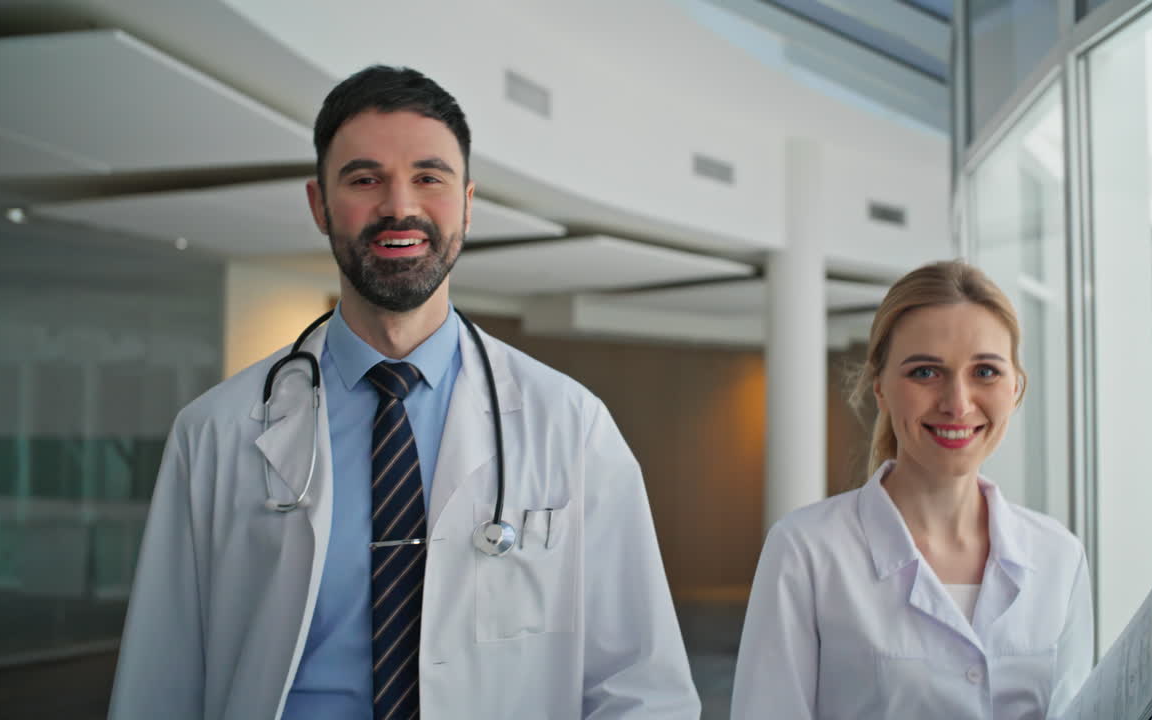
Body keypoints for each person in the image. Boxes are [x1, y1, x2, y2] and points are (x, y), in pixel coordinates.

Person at [109, 65, 699, 720]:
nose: (400, 206)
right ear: (319, 205)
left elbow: (642, 687)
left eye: (429, 177)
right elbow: (159, 682)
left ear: (468, 203)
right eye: (365, 179)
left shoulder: (571, 425)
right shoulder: (216, 432)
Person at [731, 261, 1092, 719]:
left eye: (985, 372)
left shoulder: (1059, 557)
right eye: (925, 372)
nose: (957, 404)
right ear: (879, 386)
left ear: (1016, 388)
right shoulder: (806, 550)